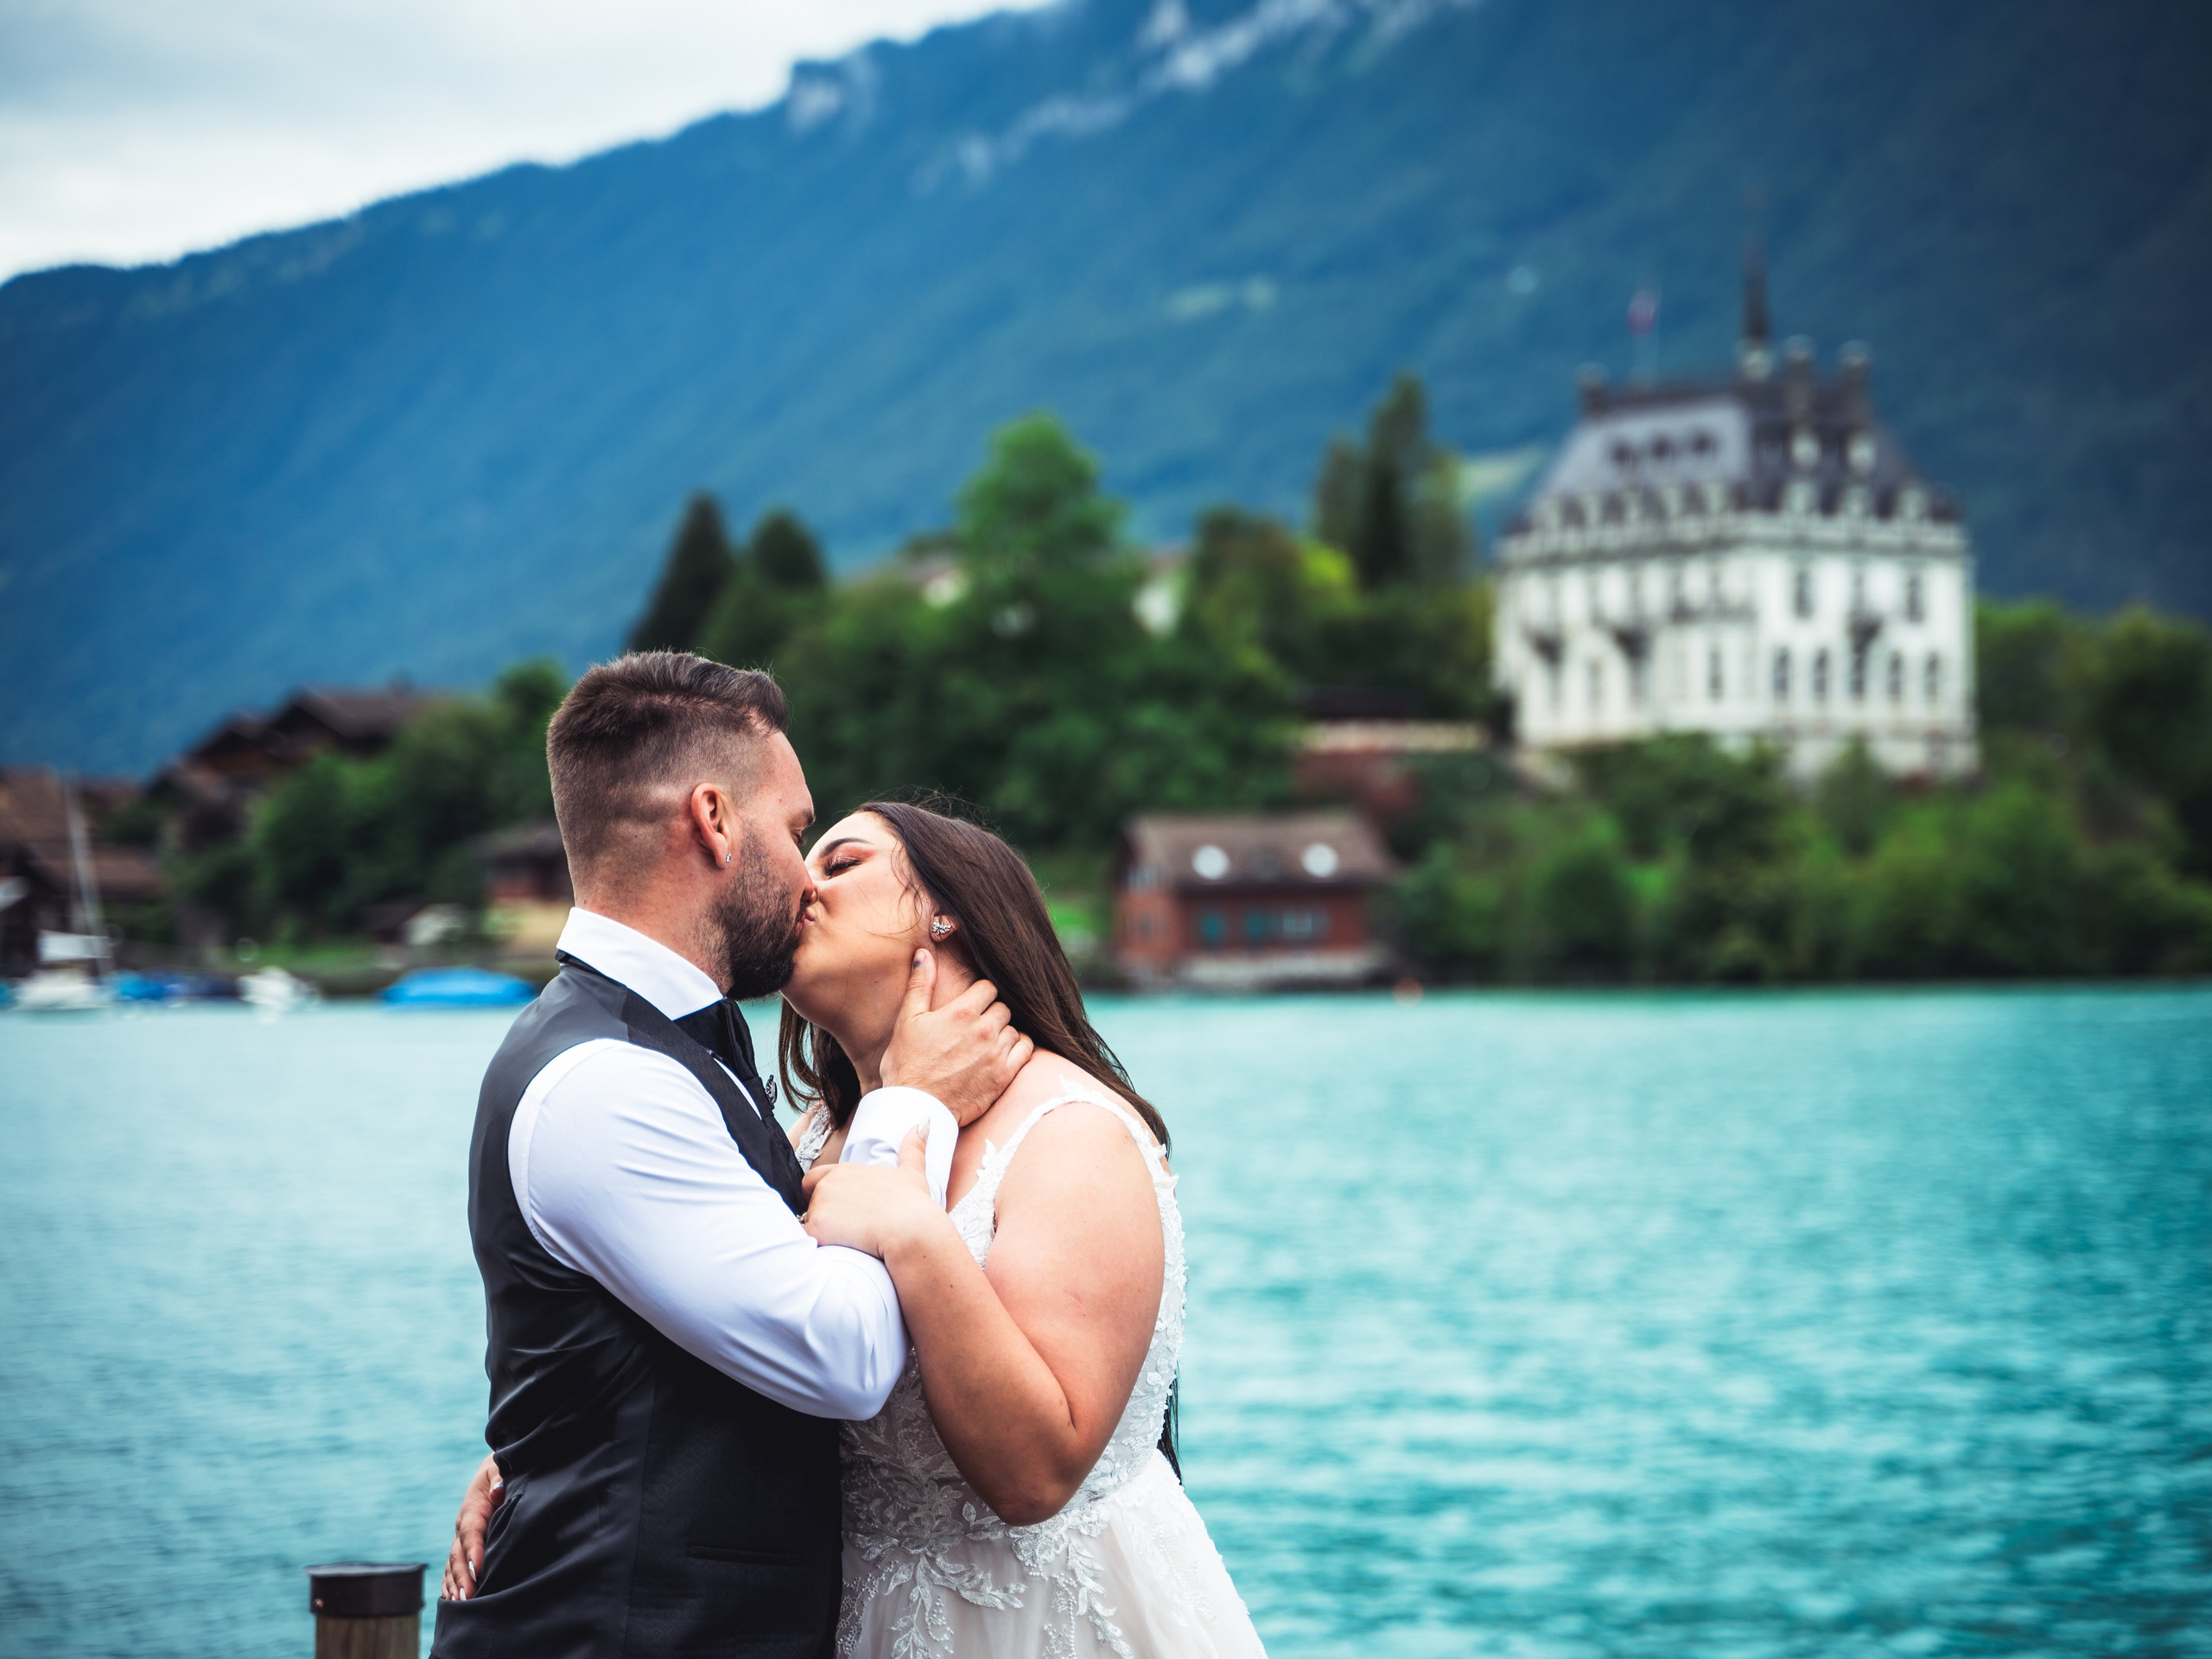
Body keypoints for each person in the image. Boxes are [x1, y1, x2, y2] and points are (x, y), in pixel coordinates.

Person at [430, 652, 1031, 1659]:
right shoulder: (603, 1085)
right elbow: (845, 1359)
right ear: (713, 820)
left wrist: (536, 1450)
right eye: (798, 832)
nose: (805, 878)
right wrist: (909, 1103)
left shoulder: (665, 1048)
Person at [781, 800, 1269, 1659]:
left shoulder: (1070, 1133)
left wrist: (912, 1231)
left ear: (946, 908)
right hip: (863, 1621)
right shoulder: (819, 1134)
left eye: (841, 862)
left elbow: (1037, 1471)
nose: (800, 886)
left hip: (1050, 1623)